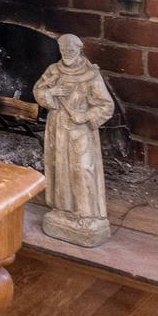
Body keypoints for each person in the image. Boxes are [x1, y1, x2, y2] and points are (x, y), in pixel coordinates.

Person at [32, 33, 115, 246]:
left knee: (82, 169)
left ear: (80, 49)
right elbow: (38, 90)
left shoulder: (90, 75)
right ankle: (63, 210)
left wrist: (85, 116)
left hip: (80, 133)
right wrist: (52, 92)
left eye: (72, 50)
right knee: (60, 168)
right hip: (58, 128)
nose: (67, 54)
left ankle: (87, 215)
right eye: (64, 50)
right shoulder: (54, 71)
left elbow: (106, 106)